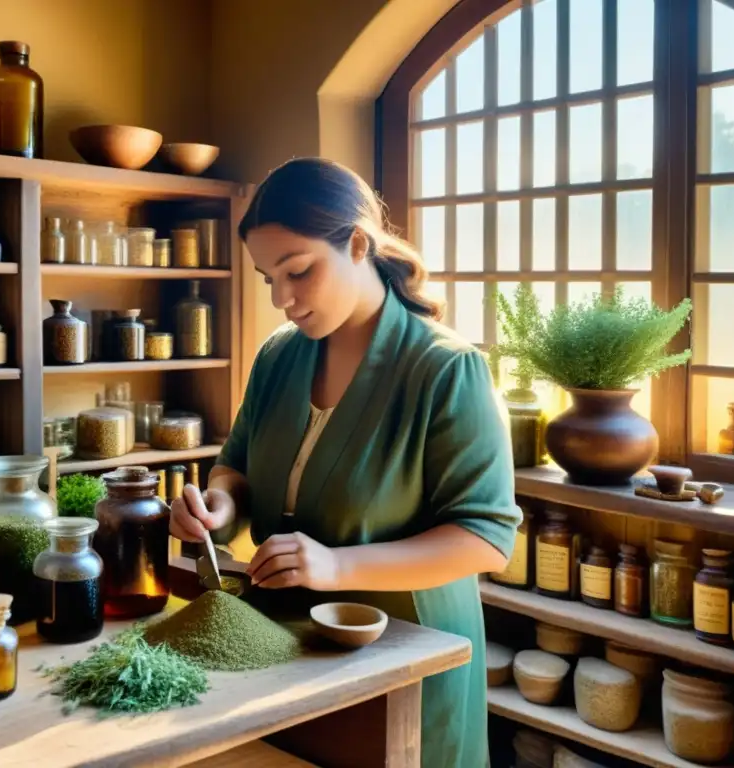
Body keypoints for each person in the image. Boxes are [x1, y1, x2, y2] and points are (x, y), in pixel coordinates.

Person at [170, 157, 520, 768]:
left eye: (298, 271)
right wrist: (218, 506)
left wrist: (336, 565)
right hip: (291, 644)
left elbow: (485, 540)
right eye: (266, 278)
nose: (282, 299)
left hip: (407, 651)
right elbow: (238, 466)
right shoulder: (279, 357)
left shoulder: (445, 370)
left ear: (357, 243)